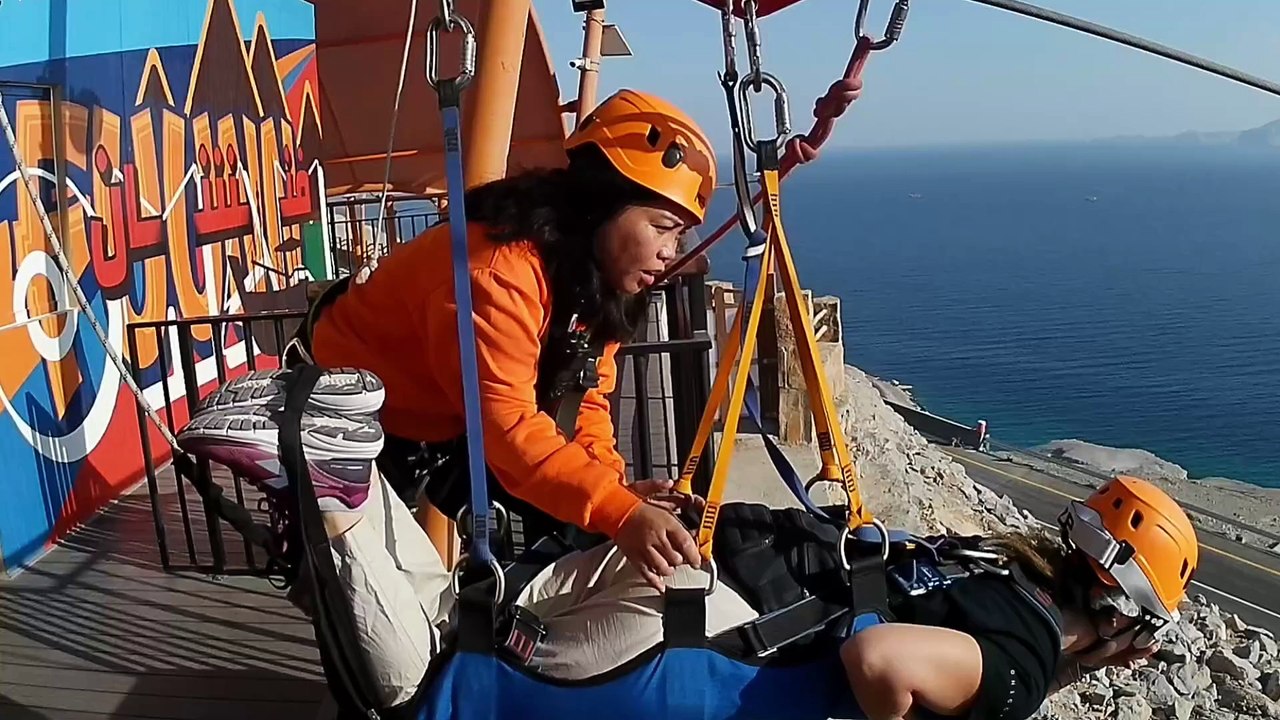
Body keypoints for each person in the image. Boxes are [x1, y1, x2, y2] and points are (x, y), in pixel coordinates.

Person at [176, 367, 1198, 719]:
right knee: (437, 691)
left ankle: (338, 446)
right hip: (699, 653)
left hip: (696, 584)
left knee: (463, 621)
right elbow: (882, 659)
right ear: (1119, 622)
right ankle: (332, 483)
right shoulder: (1020, 657)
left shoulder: (990, 561)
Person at [288, 88, 721, 584]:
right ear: (604, 203)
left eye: (679, 236)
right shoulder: (501, 270)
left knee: (567, 523)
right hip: (348, 414)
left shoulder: (590, 279)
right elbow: (511, 430)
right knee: (369, 595)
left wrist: (615, 491)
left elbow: (587, 396)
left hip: (438, 416)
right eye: (662, 227)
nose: (670, 252)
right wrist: (617, 510)